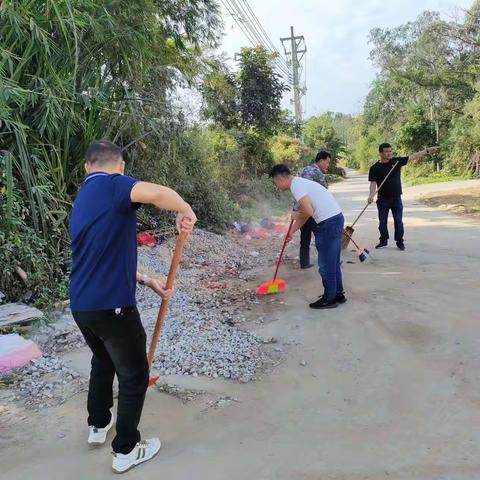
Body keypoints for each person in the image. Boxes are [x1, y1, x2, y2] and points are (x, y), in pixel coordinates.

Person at [69, 140, 197, 473]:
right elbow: (157, 194)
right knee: (134, 374)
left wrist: (145, 280)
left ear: (86, 167)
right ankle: (126, 449)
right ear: (121, 166)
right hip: (112, 306)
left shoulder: (83, 198)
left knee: (103, 358)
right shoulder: (112, 184)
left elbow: (100, 257)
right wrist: (184, 208)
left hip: (83, 306)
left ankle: (98, 424)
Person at [270, 164, 346, 309]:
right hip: (336, 218)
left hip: (327, 224)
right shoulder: (299, 183)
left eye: (275, 184)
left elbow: (308, 212)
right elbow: (305, 215)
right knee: (333, 262)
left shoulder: (296, 187)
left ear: (279, 179)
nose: (277, 187)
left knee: (325, 265)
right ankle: (338, 294)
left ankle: (330, 299)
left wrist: (295, 214)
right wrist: (291, 232)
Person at [368, 143, 439, 250]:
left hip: (396, 198)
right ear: (380, 153)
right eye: (386, 151)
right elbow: (373, 183)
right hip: (383, 199)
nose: (389, 153)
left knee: (398, 221)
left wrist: (427, 151)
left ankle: (399, 241)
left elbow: (413, 156)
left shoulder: (396, 162)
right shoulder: (374, 168)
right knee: (382, 222)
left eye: (390, 151)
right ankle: (383, 240)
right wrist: (371, 195)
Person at [297, 150, 331, 269]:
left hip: (303, 209)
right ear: (321, 161)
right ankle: (329, 260)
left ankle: (304, 262)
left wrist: (297, 209)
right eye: (327, 162)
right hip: (313, 211)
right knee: (322, 236)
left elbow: (299, 191)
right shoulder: (317, 172)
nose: (328, 165)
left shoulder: (304, 170)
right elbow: (322, 192)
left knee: (305, 237)